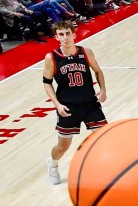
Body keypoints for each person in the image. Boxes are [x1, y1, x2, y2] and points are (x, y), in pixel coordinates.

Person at [42, 21, 107, 185]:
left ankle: (105, 169)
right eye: (61, 34)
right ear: (56, 37)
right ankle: (53, 163)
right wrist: (56, 104)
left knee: (104, 138)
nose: (65, 38)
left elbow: (98, 71)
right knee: (63, 147)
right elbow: (47, 82)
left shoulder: (86, 52)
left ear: (74, 35)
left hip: (90, 103)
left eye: (67, 34)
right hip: (67, 107)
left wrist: (103, 90)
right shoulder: (52, 57)